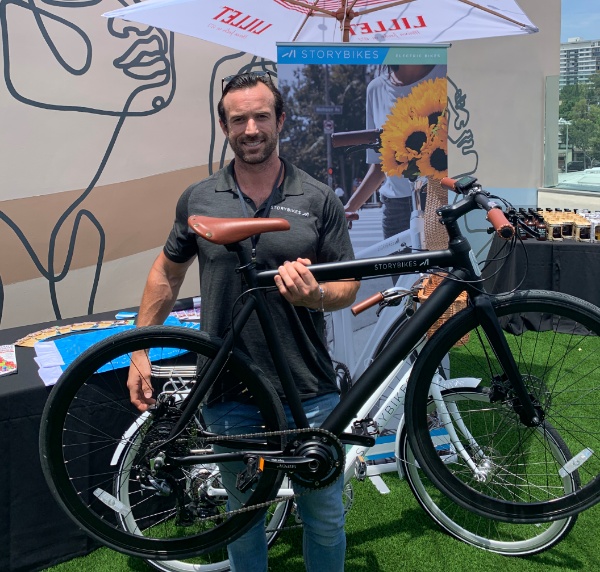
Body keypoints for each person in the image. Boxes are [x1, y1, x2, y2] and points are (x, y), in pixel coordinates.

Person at [127, 72, 360, 572]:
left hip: (309, 387)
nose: (250, 129)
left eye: (260, 116)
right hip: (229, 390)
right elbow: (166, 274)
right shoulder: (199, 198)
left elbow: (348, 286)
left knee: (324, 518)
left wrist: (315, 294)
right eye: (238, 120)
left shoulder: (318, 198)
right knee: (243, 518)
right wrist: (139, 348)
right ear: (224, 126)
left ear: (281, 120)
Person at [344, 64, 446, 240]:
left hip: (441, 199)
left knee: (443, 258)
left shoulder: (446, 73)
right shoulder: (376, 89)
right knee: (397, 259)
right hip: (396, 207)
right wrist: (349, 208)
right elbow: (380, 165)